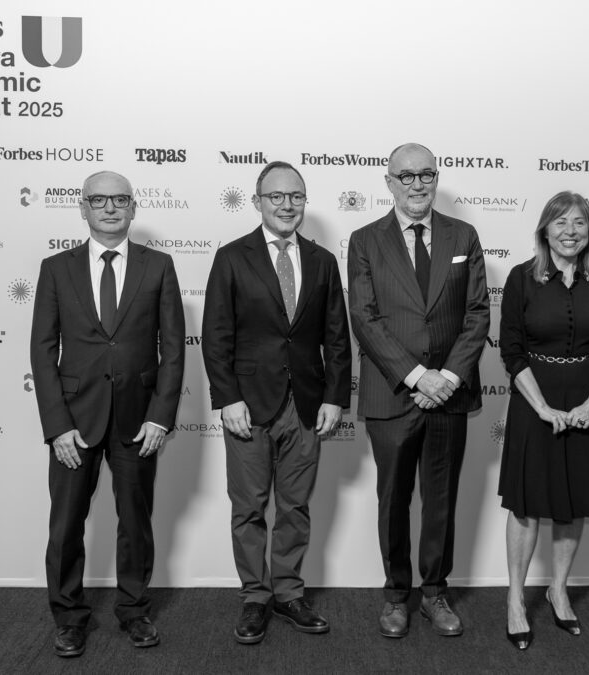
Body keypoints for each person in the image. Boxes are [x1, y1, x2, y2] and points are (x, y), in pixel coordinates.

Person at [30, 170, 186, 657]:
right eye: (99, 201)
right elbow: (42, 350)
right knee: (65, 525)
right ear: (83, 209)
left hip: (138, 421)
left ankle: (134, 611)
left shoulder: (159, 266)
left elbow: (174, 349)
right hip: (74, 423)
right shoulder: (56, 268)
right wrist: (57, 426)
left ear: (134, 207)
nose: (110, 208)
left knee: (135, 523)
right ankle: (68, 617)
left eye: (120, 199)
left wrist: (160, 417)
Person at [202, 161, 351, 645]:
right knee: (248, 508)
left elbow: (337, 337)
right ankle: (255, 597)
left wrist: (335, 398)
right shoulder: (231, 257)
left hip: (306, 404)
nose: (287, 205)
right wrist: (227, 398)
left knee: (294, 506)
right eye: (276, 196)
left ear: (305, 202)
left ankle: (288, 594)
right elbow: (215, 337)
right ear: (257, 202)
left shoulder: (322, 260)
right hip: (247, 405)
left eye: (296, 196)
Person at [348, 142, 490, 639]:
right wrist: (416, 376)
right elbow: (364, 318)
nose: (416, 184)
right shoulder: (364, 240)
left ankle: (434, 592)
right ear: (389, 182)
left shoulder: (463, 235)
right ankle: (395, 595)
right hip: (393, 393)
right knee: (393, 499)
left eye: (425, 174)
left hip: (449, 395)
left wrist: (445, 378)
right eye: (405, 175)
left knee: (441, 498)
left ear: (436, 178)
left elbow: (477, 313)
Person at [498, 192, 589, 650]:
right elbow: (511, 350)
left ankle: (558, 590)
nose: (570, 231)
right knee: (525, 504)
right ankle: (515, 599)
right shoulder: (521, 277)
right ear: (545, 229)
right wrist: (540, 407)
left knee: (572, 501)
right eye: (561, 222)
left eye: (579, 223)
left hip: (588, 406)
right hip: (534, 402)